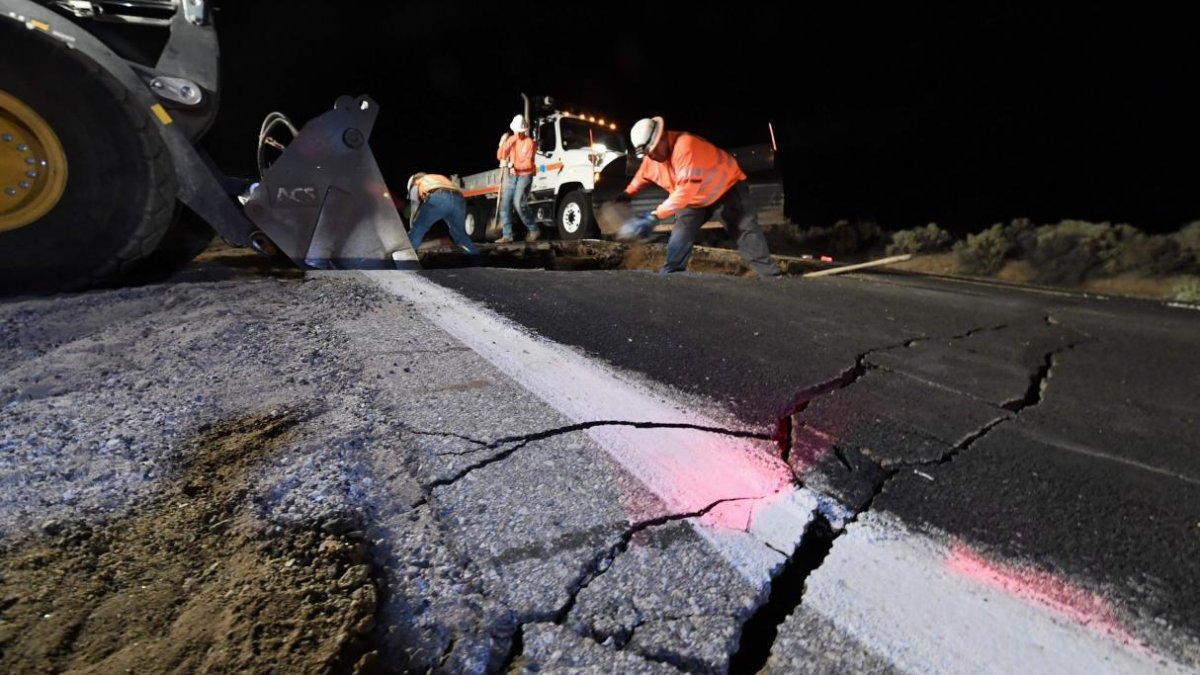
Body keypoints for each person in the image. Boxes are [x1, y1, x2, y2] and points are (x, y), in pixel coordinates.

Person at [617, 116, 781, 277]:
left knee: (744, 229)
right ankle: (671, 274)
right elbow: (643, 175)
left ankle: (770, 277)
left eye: (651, 151)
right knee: (681, 232)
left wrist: (654, 216)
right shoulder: (652, 158)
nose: (651, 156)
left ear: (661, 137)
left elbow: (685, 190)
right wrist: (628, 193)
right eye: (647, 153)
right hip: (694, 198)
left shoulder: (685, 145)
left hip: (726, 187)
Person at [405, 172, 479, 254]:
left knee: (419, 227)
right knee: (459, 234)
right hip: (459, 199)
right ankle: (476, 259)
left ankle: (408, 256)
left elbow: (414, 209)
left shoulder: (417, 183)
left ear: (413, 182)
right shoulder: (437, 177)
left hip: (438, 197)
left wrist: (413, 227)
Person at [495, 114, 541, 243]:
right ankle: (507, 235)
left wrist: (512, 164)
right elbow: (501, 156)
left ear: (524, 130)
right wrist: (502, 144)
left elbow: (528, 164)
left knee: (519, 203)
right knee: (505, 204)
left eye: (520, 131)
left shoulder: (530, 143)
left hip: (525, 176)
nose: (518, 133)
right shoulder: (511, 139)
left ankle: (534, 229)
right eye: (516, 131)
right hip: (512, 175)